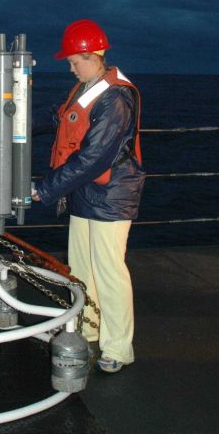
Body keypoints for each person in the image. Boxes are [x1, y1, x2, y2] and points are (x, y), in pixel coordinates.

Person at [32, 19, 145, 373]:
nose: (70, 67)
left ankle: (117, 347)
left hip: (111, 197)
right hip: (84, 195)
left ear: (92, 55)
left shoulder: (117, 98)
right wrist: (14, 119)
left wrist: (44, 189)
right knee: (81, 268)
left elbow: (94, 158)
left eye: (73, 61)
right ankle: (89, 329)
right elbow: (60, 117)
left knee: (109, 271)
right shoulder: (87, 88)